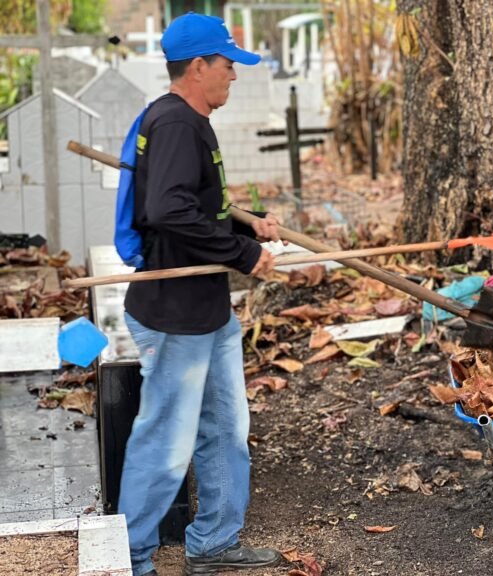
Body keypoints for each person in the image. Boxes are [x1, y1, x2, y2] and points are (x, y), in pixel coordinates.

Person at [119, 12, 283, 576]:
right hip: (173, 316)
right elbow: (166, 211)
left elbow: (196, 207)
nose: (233, 76)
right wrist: (245, 256)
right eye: (227, 65)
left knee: (225, 429)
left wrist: (248, 225)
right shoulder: (175, 124)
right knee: (165, 445)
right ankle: (131, 558)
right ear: (197, 67)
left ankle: (213, 542)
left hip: (207, 311)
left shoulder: (190, 121)